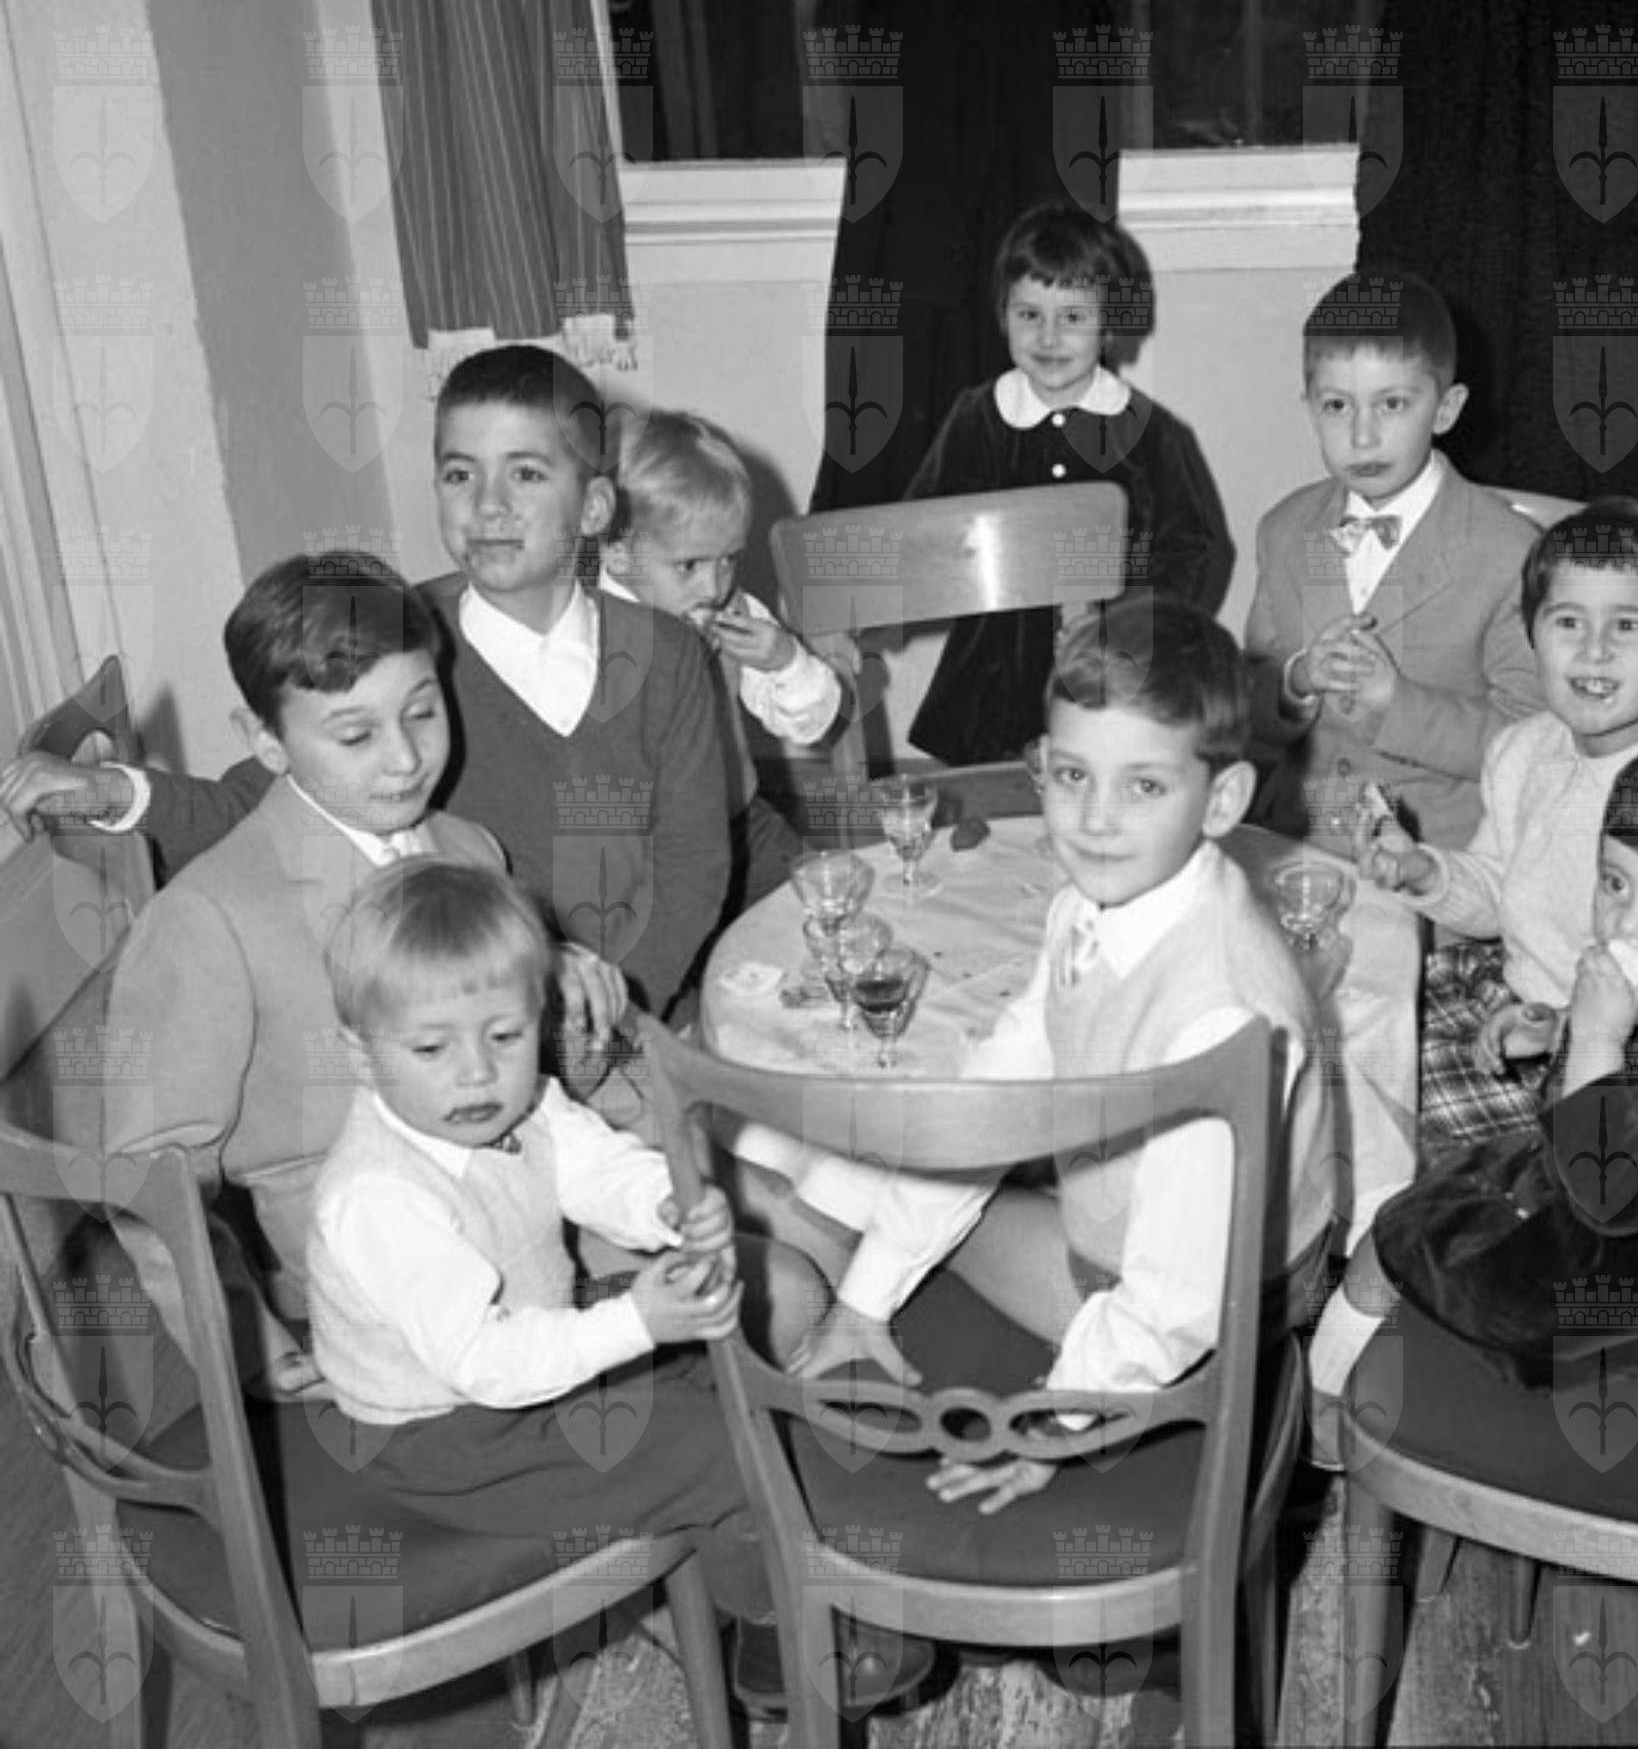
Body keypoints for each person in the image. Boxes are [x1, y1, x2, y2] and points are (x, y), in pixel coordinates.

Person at [306, 858, 929, 1716]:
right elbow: (484, 1361)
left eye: (505, 1036)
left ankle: (775, 1556)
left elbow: (595, 1167)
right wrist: (637, 1320)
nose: (477, 1074)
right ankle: (778, 1636)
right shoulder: (379, 1194)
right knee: (721, 1447)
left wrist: (666, 1202)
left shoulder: (521, 1105)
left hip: (527, 1351)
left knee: (730, 1369)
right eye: (431, 1049)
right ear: (360, 1054)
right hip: (445, 1433)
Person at [0, 346, 729, 1023]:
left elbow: (693, 865)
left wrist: (619, 1008)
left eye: (527, 474)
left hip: (632, 1007)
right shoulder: (399, 638)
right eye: (460, 474)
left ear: (595, 507)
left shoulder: (667, 656)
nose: (488, 504)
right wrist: (113, 792)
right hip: (455, 1027)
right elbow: (259, 805)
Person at [792, 595, 1321, 1512]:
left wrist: (1055, 1422)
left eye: (1143, 787)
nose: (1095, 820)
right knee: (886, 1161)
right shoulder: (1094, 902)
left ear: (1224, 799)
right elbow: (993, 1099)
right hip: (1118, 1223)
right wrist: (863, 1303)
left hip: (1224, 1301)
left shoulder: (1219, 1017)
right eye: (1073, 775)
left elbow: (1178, 1299)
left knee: (861, 1185)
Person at [84, 551, 617, 1387]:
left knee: (775, 1231)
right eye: (357, 735)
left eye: (423, 712)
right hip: (372, 1298)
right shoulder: (209, 916)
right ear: (266, 741)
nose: (404, 760)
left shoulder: (467, 848)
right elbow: (148, 1183)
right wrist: (255, 1352)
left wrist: (556, 988)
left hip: (527, 1205)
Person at [1307, 731, 1638, 1460]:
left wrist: (1597, 1040)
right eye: (1614, 883)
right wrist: (1560, 1026)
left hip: (1633, 1299)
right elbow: (1637, 1045)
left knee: (1392, 1240)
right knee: (1437, 1191)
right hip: (1626, 1236)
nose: (1626, 922)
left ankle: (1325, 1434)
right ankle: (1341, 1404)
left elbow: (1613, 1190)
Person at [1360, 497, 1638, 1159]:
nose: (1594, 650)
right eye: (1568, 622)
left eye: (1627, 625)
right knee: (1355, 1027)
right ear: (1532, 633)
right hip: (1515, 988)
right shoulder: (1524, 749)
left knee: (1392, 1117)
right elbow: (1497, 890)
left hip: (1613, 1056)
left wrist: (1564, 1028)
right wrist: (1425, 870)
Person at [899, 202, 1233, 764]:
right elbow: (922, 530)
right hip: (991, 678)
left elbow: (1191, 551)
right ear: (1002, 316)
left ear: (1109, 325)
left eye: (1073, 317)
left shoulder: (1150, 434)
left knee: (1099, 784)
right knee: (995, 803)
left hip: (1111, 674)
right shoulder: (977, 418)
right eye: (1029, 314)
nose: (1049, 336)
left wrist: (1123, 622)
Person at [1243, 269, 1540, 856]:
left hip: (1441, 856)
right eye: (1337, 406)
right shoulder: (1284, 530)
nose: (1362, 436)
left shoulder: (1509, 552)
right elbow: (1249, 698)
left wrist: (1395, 704)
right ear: (1309, 408)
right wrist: (1297, 681)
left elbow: (1533, 742)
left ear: (1446, 409)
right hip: (1298, 841)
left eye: (1393, 404)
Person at [600, 407, 848, 912]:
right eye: (688, 565)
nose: (714, 586)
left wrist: (785, 661)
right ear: (618, 554)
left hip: (740, 829)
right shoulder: (586, 630)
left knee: (825, 913)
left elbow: (812, 723)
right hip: (641, 858)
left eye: (729, 559)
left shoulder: (733, 612)